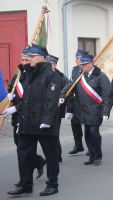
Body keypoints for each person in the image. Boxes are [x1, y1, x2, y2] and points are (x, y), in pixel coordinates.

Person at [3, 44, 62, 196]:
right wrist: (16, 108)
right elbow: (28, 99)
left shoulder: (52, 75)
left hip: (44, 123)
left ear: (42, 58)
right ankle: (25, 184)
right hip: (27, 121)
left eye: (32, 56)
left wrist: (47, 120)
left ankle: (52, 184)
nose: (28, 59)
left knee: (51, 154)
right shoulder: (27, 74)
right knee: (24, 154)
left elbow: (51, 100)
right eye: (27, 57)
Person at [61, 53, 110, 166]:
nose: (82, 67)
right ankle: (92, 155)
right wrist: (62, 95)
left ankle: (98, 155)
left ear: (91, 63)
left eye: (85, 64)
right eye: (81, 65)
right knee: (87, 134)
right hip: (83, 111)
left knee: (94, 132)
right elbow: (70, 86)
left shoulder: (101, 76)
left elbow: (107, 95)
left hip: (96, 110)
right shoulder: (80, 76)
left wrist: (105, 111)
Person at [7, 47, 46, 183]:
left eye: (27, 60)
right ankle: (38, 161)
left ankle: (25, 181)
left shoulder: (33, 75)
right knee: (20, 147)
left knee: (25, 149)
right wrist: (10, 96)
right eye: (22, 59)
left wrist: (16, 108)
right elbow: (12, 87)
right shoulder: (18, 74)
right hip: (17, 117)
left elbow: (33, 99)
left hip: (30, 117)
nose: (24, 62)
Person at [45, 54, 69, 162]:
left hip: (56, 110)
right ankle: (51, 155)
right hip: (45, 109)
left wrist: (62, 99)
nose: (46, 66)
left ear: (54, 65)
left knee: (54, 133)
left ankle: (57, 156)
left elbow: (67, 92)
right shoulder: (44, 75)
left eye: (49, 64)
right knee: (47, 134)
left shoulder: (62, 78)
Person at [66, 50, 85, 155]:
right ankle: (78, 145)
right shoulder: (74, 70)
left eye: (78, 58)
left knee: (89, 126)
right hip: (77, 102)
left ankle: (92, 148)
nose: (76, 60)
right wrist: (69, 109)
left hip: (87, 102)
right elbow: (71, 86)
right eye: (76, 58)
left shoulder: (87, 69)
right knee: (75, 123)